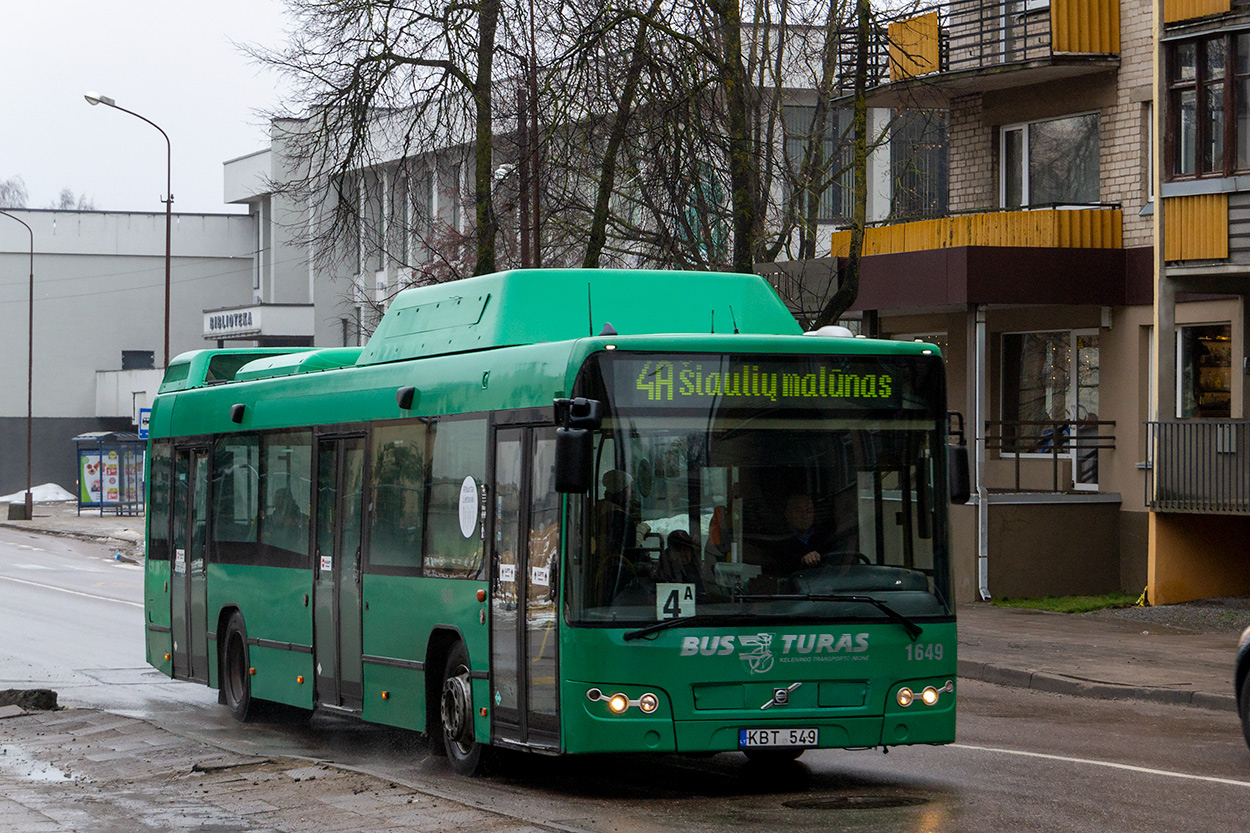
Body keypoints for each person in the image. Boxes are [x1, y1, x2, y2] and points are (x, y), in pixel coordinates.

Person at [761, 493, 839, 576]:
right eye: (798, 511)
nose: (804, 516)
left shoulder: (825, 535)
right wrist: (802, 561)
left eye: (808, 510)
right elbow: (779, 566)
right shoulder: (777, 539)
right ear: (787, 514)